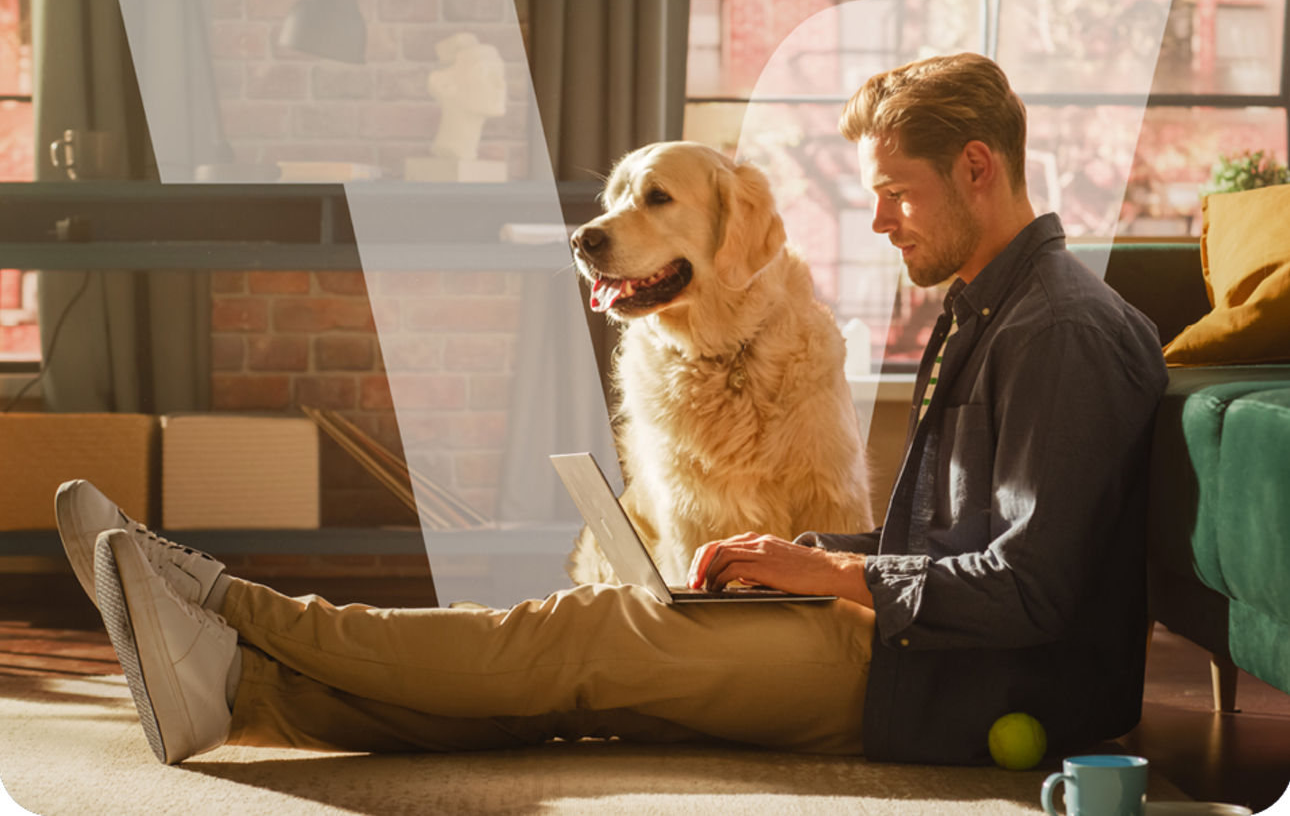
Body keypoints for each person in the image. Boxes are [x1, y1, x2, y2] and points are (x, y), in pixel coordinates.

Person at [57, 52, 1166, 767]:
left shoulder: (1057, 330)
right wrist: (811, 552)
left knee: (586, 635)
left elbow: (1031, 590)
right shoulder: (992, 309)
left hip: (954, 686)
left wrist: (834, 574)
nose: (879, 222)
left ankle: (233, 605)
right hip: (915, 648)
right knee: (569, 678)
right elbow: (956, 549)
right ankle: (244, 690)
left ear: (979, 167)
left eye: (897, 193)